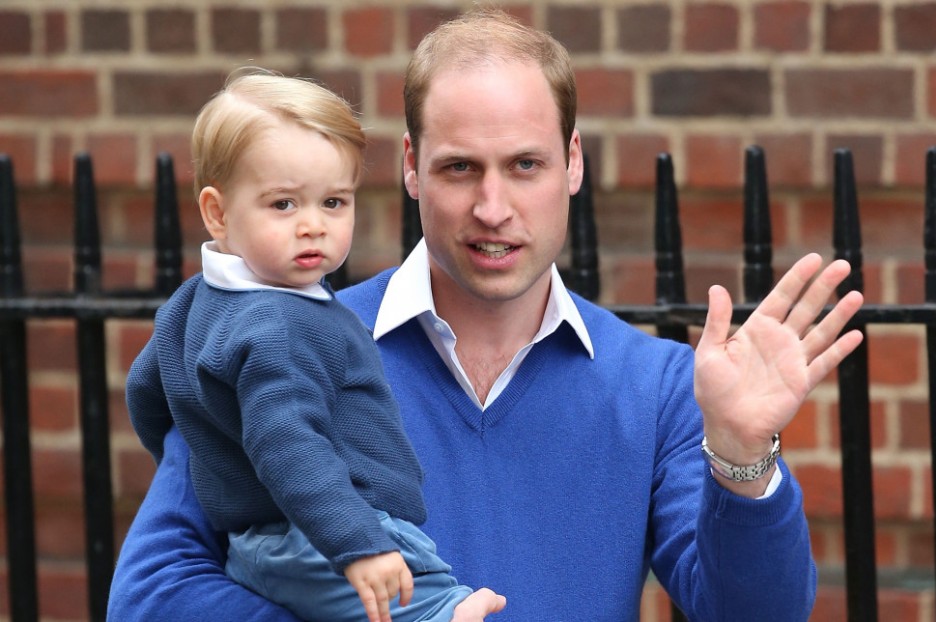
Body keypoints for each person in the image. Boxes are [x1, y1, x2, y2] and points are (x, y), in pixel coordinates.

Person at [109, 9, 864, 621]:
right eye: (459, 167)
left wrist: (741, 454)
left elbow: (752, 613)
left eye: (525, 165)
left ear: (572, 162)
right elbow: (149, 597)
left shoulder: (657, 385)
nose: (492, 209)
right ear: (410, 166)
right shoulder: (283, 341)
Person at [121, 67, 505, 622]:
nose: (312, 226)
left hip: (261, 543)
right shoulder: (280, 325)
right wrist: (360, 543)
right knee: (419, 598)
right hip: (319, 539)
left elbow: (147, 388)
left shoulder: (192, 302)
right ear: (218, 213)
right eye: (283, 204)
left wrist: (206, 455)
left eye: (333, 202)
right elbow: (289, 442)